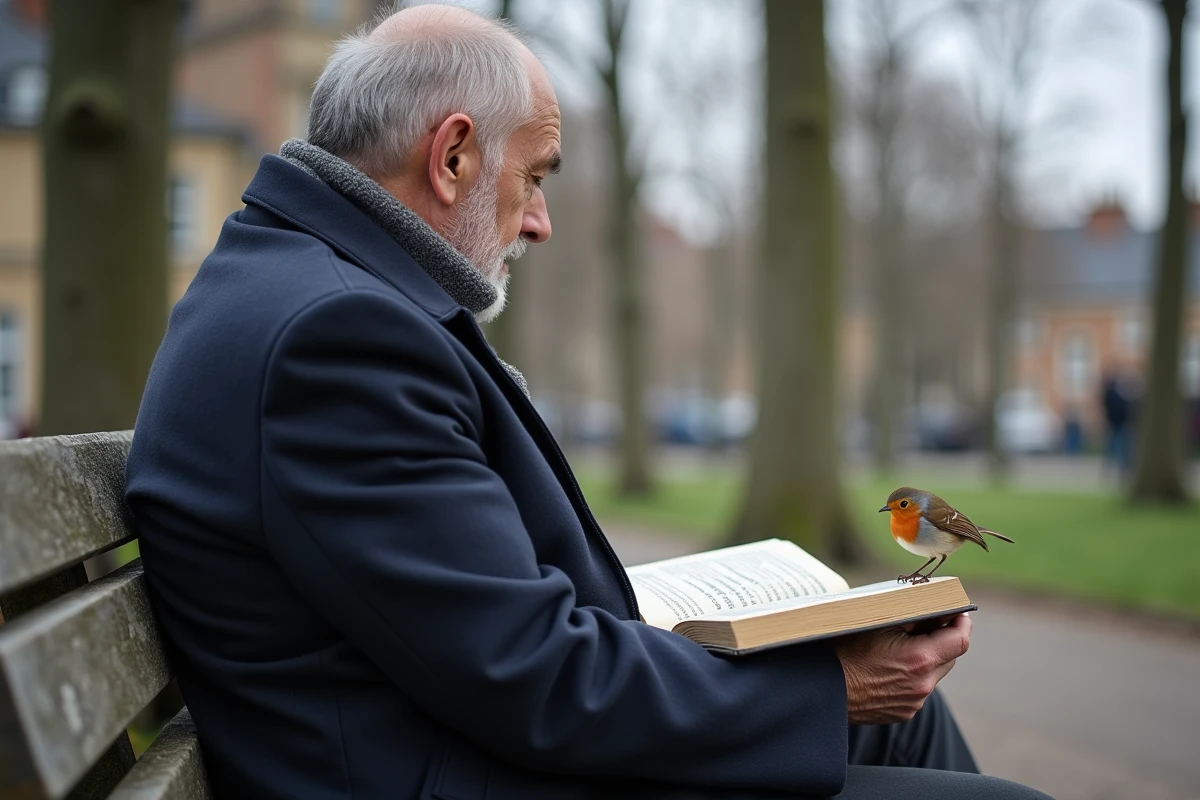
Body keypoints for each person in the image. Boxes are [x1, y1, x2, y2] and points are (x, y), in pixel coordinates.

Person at [125, 6, 1049, 799]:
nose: (540, 220)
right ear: (451, 155)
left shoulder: (310, 289)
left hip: (471, 743)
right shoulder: (336, 341)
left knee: (907, 724)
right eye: (536, 176)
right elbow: (528, 677)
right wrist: (826, 689)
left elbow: (483, 637)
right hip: (472, 774)